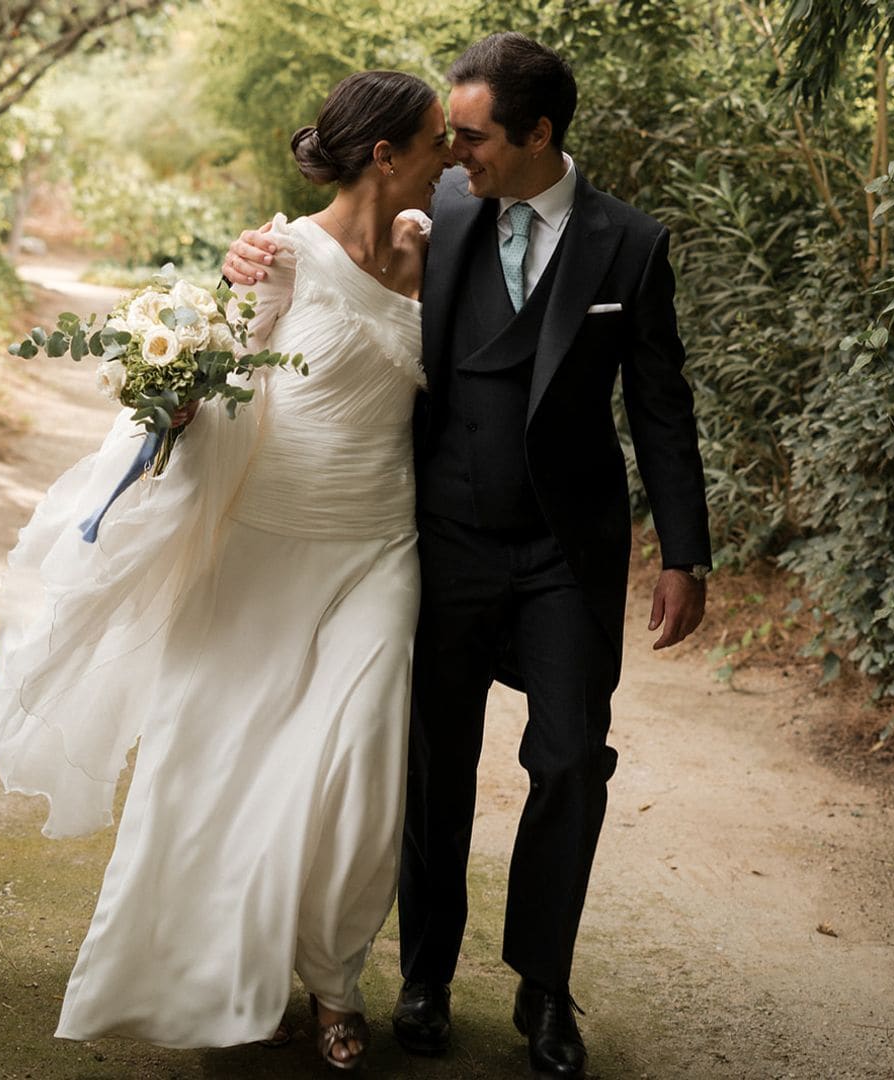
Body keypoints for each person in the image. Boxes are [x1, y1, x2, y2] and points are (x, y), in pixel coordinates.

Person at [224, 32, 711, 1080]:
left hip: (566, 551)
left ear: (539, 134)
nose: (456, 153)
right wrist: (248, 262)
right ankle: (425, 980)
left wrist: (687, 552)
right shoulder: (430, 216)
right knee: (432, 771)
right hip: (440, 538)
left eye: (476, 135)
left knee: (573, 762)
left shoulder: (630, 244)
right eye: (450, 135)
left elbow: (663, 408)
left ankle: (544, 989)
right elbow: (327, 274)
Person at [0, 70, 453, 1072]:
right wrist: (173, 399)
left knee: (360, 764)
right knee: (221, 759)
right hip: (264, 540)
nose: (450, 157)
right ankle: (228, 977)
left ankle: (337, 982)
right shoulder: (278, 257)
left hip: (380, 544)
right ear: (387, 155)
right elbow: (209, 384)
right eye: (436, 140)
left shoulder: (436, 250)